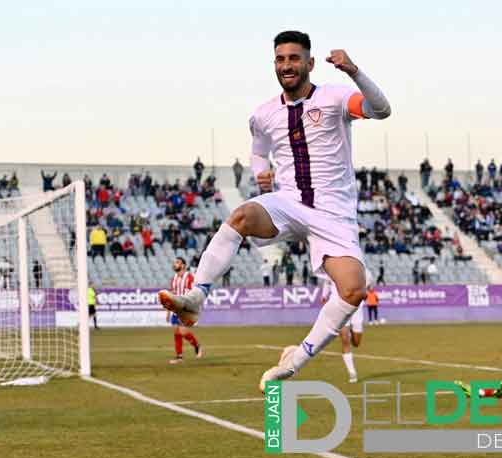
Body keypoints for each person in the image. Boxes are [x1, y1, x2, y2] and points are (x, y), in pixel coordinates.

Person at [156, 30, 390, 392]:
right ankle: (196, 297)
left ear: (310, 63)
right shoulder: (264, 114)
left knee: (354, 289)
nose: (287, 65)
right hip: (288, 202)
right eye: (281, 59)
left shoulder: (336, 97)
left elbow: (381, 109)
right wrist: (259, 174)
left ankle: (295, 361)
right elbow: (258, 149)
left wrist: (354, 70)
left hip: (333, 213)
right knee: (241, 217)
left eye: (294, 58)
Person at [321, 268, 374, 383]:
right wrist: (324, 295)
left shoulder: (364, 270)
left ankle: (351, 331)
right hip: (340, 307)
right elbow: (327, 282)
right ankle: (352, 372)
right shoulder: (333, 267)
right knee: (345, 339)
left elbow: (370, 286)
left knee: (356, 342)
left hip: (356, 308)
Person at [167, 258, 203, 364]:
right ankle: (179, 357)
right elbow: (171, 295)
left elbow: (192, 294)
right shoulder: (173, 279)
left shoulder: (189, 277)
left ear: (183, 265)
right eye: (174, 262)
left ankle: (197, 345)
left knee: (181, 331)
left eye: (177, 262)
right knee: (176, 332)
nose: (174, 264)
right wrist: (168, 311)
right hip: (175, 309)